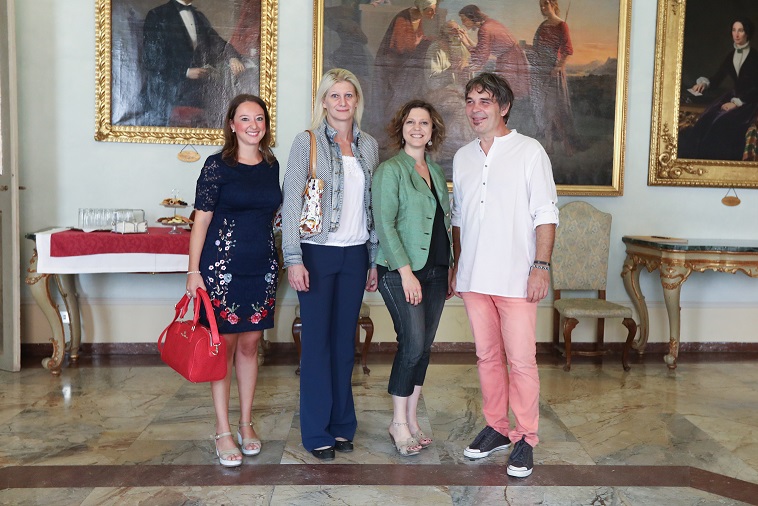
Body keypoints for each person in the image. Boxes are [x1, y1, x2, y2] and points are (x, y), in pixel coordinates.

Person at [451, 73, 558, 478]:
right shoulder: (462, 157)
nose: (476, 109)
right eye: (470, 101)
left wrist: (540, 266)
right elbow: (459, 217)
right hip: (474, 277)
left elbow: (546, 213)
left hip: (516, 277)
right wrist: (458, 265)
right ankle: (496, 427)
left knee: (522, 361)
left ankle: (525, 437)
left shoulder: (530, 151)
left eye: (485, 101)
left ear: (504, 106)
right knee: (487, 357)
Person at [281, 68, 379, 461]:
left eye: (348, 95)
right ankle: (316, 430)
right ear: (323, 101)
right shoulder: (306, 142)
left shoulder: (368, 146)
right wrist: (294, 259)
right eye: (334, 95)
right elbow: (291, 203)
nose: (342, 102)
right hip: (316, 254)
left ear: (357, 101)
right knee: (317, 345)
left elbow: (372, 206)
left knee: (344, 344)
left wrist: (373, 259)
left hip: (355, 255)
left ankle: (342, 426)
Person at [186, 94, 281, 467]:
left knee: (251, 344)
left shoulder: (271, 165)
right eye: (245, 118)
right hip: (221, 269)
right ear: (232, 124)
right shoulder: (216, 166)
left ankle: (245, 423)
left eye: (259, 118)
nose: (253, 125)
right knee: (223, 347)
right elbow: (201, 221)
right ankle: (223, 429)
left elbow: (272, 214)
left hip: (262, 268)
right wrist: (193, 272)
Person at [373, 100, 453, 456]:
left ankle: (411, 419)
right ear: (401, 128)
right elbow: (385, 224)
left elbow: (444, 223)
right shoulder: (390, 170)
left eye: (424, 123)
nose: (417, 128)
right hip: (401, 272)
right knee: (412, 344)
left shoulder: (434, 171)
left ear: (432, 130)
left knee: (425, 347)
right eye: (410, 122)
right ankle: (397, 423)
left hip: (436, 270)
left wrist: (450, 267)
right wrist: (406, 273)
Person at [141, 0, 244, 127]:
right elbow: (152, 60)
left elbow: (216, 41)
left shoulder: (198, 16)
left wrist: (232, 57)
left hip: (195, 90)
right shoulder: (157, 15)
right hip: (166, 91)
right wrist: (186, 72)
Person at [679, 19, 758, 160]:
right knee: (706, 118)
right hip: (733, 96)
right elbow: (717, 78)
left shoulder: (755, 57)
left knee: (721, 123)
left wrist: (737, 103)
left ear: (747, 33)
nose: (736, 34)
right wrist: (704, 84)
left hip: (750, 101)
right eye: (734, 30)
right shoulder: (731, 56)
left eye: (740, 30)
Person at [373, 0, 438, 132]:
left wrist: (423, 40)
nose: (434, 13)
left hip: (406, 65)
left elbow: (416, 39)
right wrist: (420, 42)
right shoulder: (402, 19)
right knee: (399, 95)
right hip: (394, 66)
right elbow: (402, 47)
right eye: (431, 9)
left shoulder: (418, 17)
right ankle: (392, 127)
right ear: (422, 7)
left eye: (434, 9)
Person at [530, 0, 579, 154]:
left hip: (553, 71)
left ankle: (566, 144)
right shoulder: (542, 26)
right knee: (544, 108)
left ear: (553, 4)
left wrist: (557, 67)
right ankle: (549, 144)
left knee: (554, 109)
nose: (543, 8)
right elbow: (536, 48)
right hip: (540, 71)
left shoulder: (561, 25)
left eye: (545, 4)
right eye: (541, 6)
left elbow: (567, 50)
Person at [455, 5, 531, 100]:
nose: (463, 23)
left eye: (464, 19)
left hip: (509, 61)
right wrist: (466, 37)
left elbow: (480, 57)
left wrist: (464, 42)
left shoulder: (484, 29)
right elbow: (481, 48)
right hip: (512, 57)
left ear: (472, 17)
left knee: (508, 92)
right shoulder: (489, 23)